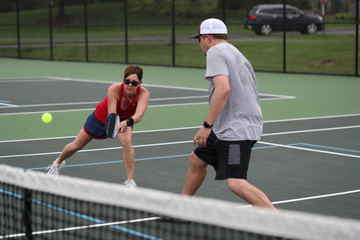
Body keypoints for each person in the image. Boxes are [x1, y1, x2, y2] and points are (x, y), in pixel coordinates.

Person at [182, 18, 275, 209]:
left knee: (236, 183)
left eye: (199, 39)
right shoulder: (235, 52)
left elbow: (223, 89)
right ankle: (181, 208)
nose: (199, 43)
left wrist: (207, 126)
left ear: (207, 38)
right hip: (226, 127)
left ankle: (282, 225)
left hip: (236, 132)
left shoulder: (215, 52)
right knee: (197, 159)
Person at [46, 65, 150, 189]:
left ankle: (130, 182)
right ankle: (56, 164)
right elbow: (112, 115)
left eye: (134, 83)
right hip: (102, 118)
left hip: (124, 121)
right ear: (123, 79)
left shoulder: (144, 94)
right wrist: (116, 126)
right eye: (127, 81)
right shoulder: (114, 88)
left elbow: (138, 115)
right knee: (75, 146)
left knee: (127, 143)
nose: (130, 85)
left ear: (140, 83)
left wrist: (126, 123)